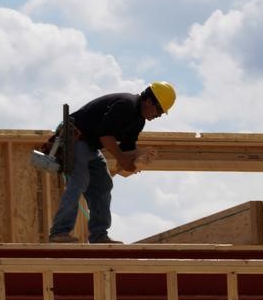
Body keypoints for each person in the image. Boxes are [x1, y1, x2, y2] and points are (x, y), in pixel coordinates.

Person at [49, 82, 176, 244]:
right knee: (79, 180)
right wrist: (122, 159)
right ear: (150, 101)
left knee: (103, 184)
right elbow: (105, 135)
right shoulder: (127, 105)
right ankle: (59, 232)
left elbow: (127, 149)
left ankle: (99, 235)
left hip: (90, 145)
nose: (159, 115)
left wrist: (139, 157)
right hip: (76, 138)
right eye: (159, 110)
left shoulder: (139, 121)